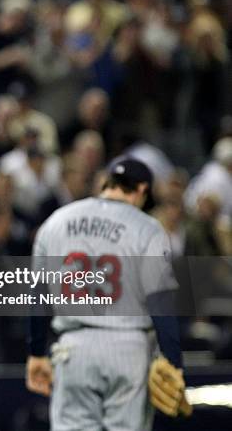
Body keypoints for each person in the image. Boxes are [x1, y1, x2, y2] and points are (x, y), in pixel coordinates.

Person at [25, 158, 190, 430]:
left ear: (107, 183)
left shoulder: (56, 221)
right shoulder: (147, 228)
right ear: (141, 189)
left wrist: (36, 352)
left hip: (73, 346)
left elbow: (38, 296)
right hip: (130, 348)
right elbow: (160, 301)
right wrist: (173, 360)